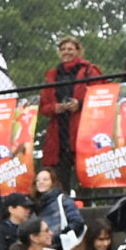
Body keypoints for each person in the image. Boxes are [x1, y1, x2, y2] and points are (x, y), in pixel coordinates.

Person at [40, 36, 100, 183]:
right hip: (59, 132)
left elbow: (101, 96)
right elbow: (44, 107)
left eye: (70, 49)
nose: (66, 52)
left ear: (78, 51)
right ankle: (63, 202)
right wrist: (55, 108)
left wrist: (79, 104)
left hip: (82, 129)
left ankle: (88, 203)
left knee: (87, 171)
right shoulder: (52, 75)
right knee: (60, 174)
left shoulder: (89, 70)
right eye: (63, 49)